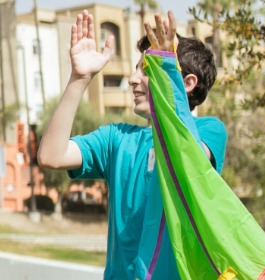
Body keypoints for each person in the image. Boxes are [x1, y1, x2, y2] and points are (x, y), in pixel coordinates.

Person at [35, 10, 226, 280]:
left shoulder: (210, 131)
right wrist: (79, 78)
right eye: (136, 69)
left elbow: (187, 157)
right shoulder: (118, 138)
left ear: (188, 83)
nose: (133, 79)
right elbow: (51, 156)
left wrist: (167, 71)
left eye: (147, 71)